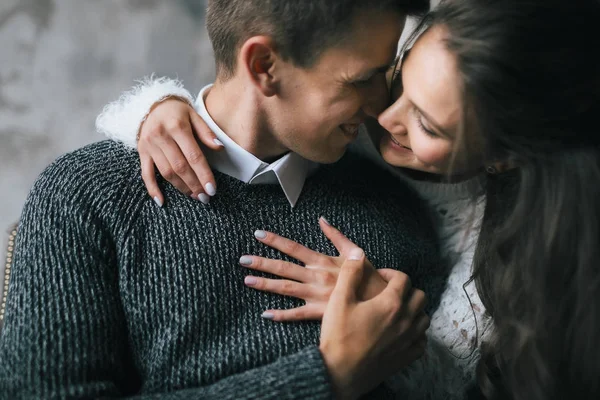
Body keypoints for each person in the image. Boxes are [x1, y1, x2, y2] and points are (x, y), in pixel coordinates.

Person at [97, 0, 600, 398]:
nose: (383, 113)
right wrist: (154, 107)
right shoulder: (345, 120)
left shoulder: (526, 256)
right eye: (395, 75)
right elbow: (265, 86)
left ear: (503, 157)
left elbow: (453, 384)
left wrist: (392, 322)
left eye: (426, 123)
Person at [0, 0, 443, 399]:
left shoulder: (394, 209)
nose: (379, 107)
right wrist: (327, 377)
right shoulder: (84, 194)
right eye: (361, 80)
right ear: (264, 65)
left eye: (383, 76)